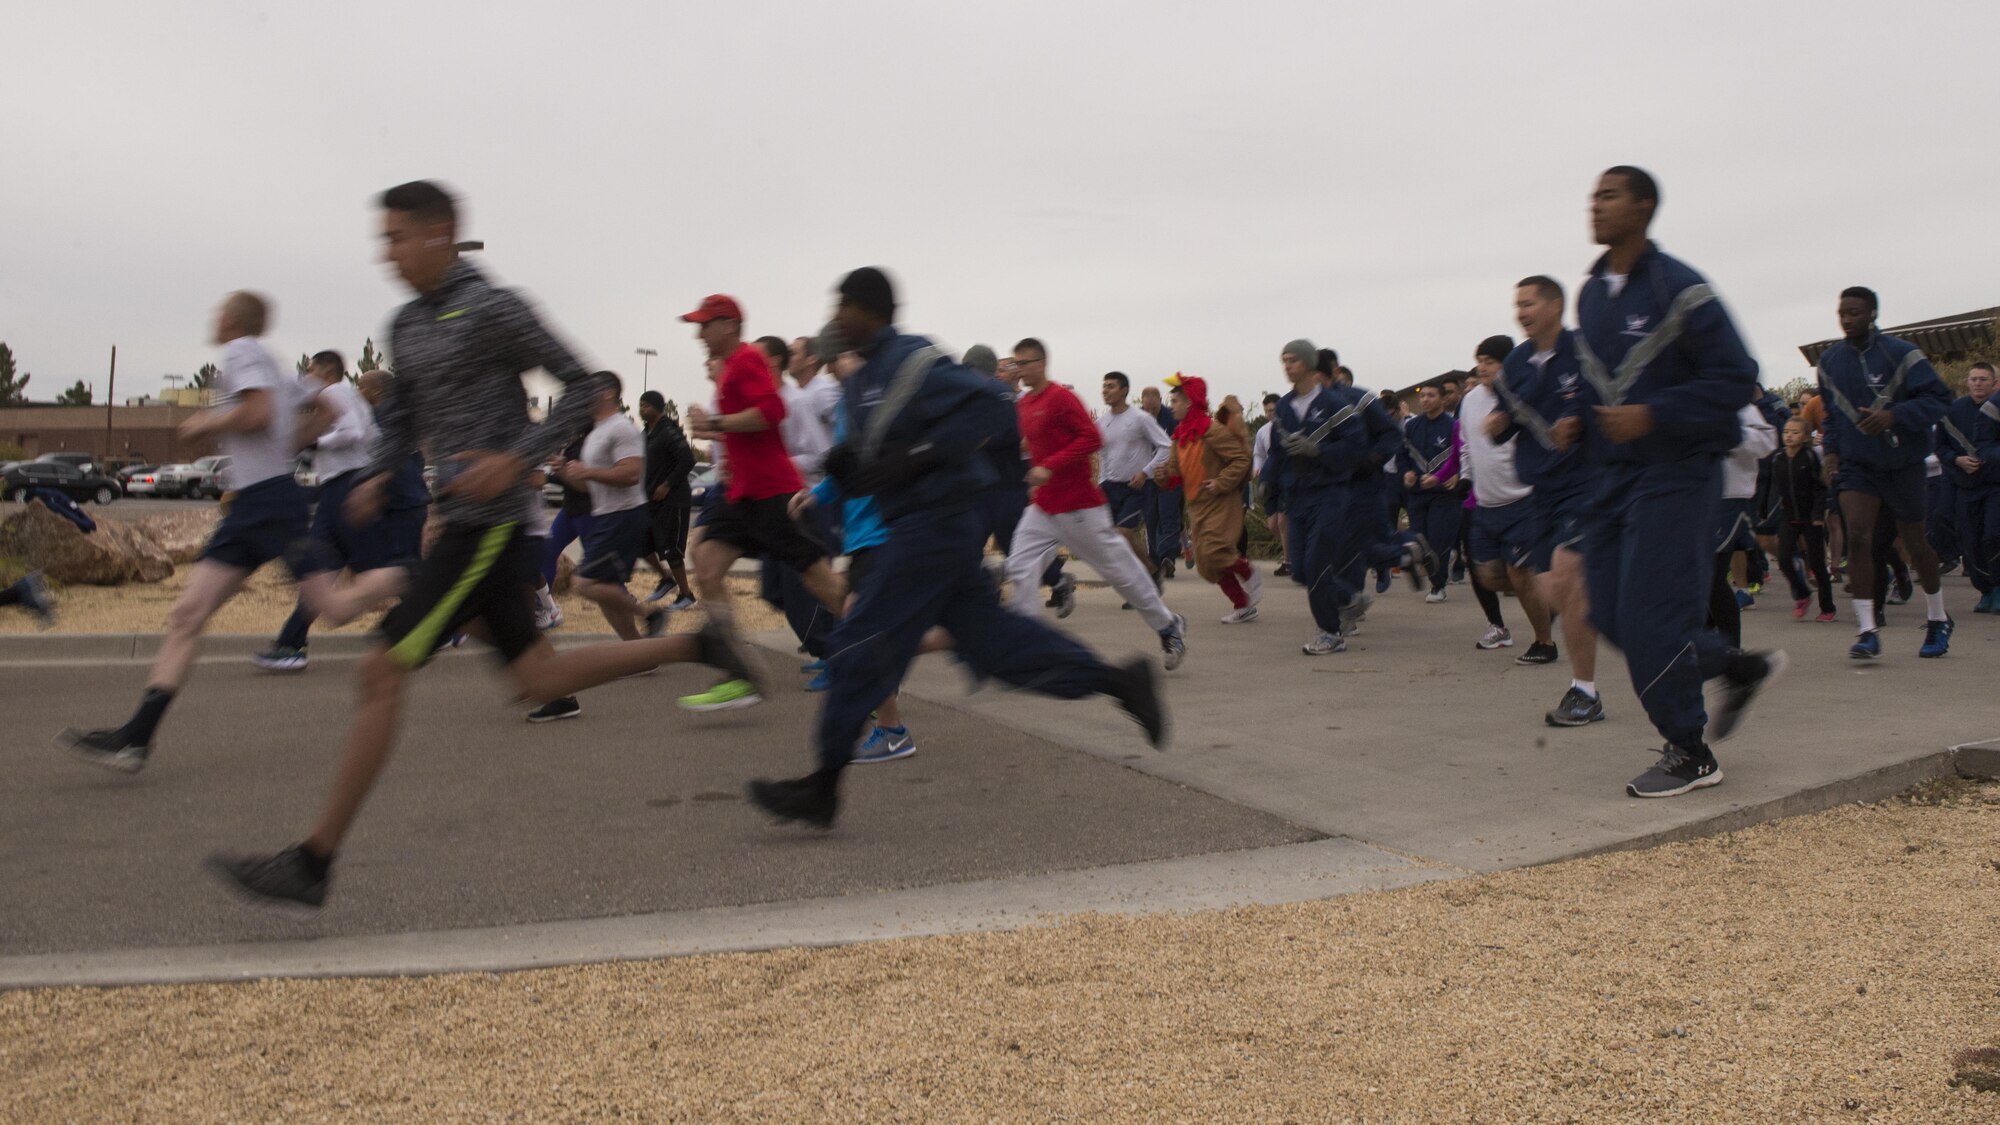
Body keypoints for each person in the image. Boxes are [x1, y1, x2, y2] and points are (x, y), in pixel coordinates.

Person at [206, 182, 760, 906]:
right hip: (459, 519)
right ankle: (697, 646)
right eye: (384, 240)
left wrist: (516, 454)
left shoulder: (496, 306)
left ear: (441, 234)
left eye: (399, 237)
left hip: (494, 520)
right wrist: (375, 473)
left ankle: (313, 861)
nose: (389, 253)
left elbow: (583, 382)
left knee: (381, 670)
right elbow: (403, 417)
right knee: (538, 679)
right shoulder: (405, 324)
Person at [746, 267, 1166, 829]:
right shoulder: (860, 381)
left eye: (842, 305)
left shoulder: (915, 361)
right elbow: (874, 460)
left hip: (936, 528)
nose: (834, 316)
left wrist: (915, 456)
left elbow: (992, 409)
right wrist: (848, 476)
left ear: (870, 310)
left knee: (856, 644)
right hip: (920, 529)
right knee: (996, 644)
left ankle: (823, 787)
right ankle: (1119, 682)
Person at [1574, 166, 1782, 798]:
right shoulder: (1591, 295)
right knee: (1607, 612)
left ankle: (1690, 752)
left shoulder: (1680, 286)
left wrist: (1656, 415)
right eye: (1593, 195)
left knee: (1652, 617)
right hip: (1612, 479)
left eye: (1609, 195)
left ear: (1643, 208)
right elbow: (1597, 388)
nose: (1595, 204)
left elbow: (1734, 375)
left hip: (1677, 474)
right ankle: (1735, 666)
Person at [58, 291, 311, 771]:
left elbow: (257, 415)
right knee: (186, 615)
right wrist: (290, 445)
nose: (214, 319)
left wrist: (205, 421)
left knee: (335, 603)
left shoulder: (242, 351)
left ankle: (425, 580)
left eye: (220, 312)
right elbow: (320, 404)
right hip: (259, 502)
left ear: (234, 319)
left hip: (268, 503)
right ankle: (137, 737)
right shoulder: (274, 363)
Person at [680, 294, 846, 709]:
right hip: (743, 495)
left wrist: (715, 423)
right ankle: (740, 674)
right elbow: (747, 429)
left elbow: (772, 412)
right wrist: (722, 442)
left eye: (706, 325)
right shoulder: (729, 370)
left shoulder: (748, 359)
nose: (700, 334)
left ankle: (880, 647)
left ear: (729, 326)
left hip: (774, 493)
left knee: (819, 583)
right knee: (705, 564)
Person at [1004, 339, 1187, 669]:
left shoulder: (1061, 398)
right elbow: (1029, 443)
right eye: (1015, 364)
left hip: (1079, 506)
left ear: (1042, 363)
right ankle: (1027, 647)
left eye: (1024, 363)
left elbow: (1091, 438)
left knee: (1121, 573)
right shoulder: (1024, 405)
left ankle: (1168, 625)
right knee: (1020, 564)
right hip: (1044, 507)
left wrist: (1051, 466)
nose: (1019, 370)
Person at [254, 358, 431, 672]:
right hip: (343, 491)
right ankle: (291, 645)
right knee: (321, 569)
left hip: (353, 491)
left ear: (326, 371)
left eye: (311, 370)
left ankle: (441, 620)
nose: (307, 376)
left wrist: (314, 442)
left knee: (384, 570)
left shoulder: (337, 391)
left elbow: (351, 432)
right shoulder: (354, 400)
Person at [1815, 286, 1954, 659]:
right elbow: (1830, 414)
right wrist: (1830, 453)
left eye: (1855, 312)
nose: (1846, 319)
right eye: (1842, 312)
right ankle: (1866, 630)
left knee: (1914, 542)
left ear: (1873, 314)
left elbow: (1939, 399)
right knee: (1859, 537)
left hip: (1903, 462)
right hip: (1858, 465)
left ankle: (1938, 618)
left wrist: (1895, 416)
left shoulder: (1902, 354)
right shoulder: (1829, 361)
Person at [1259, 342, 1421, 651]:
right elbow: (1277, 453)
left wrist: (1318, 450)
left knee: (1319, 562)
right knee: (1302, 571)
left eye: (1293, 360)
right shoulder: (1283, 408)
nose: (1287, 366)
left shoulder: (1335, 404)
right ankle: (1349, 596)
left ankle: (1330, 633)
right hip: (1297, 497)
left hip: (1330, 493)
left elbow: (1356, 446)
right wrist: (1268, 481)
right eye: (1284, 360)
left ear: (1308, 364)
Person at [1462, 334, 1556, 658]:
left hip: (1523, 500)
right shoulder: (1470, 400)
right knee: (1488, 575)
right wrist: (1465, 479)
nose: (1482, 367)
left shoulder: (1522, 396)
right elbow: (1466, 445)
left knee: (1519, 573)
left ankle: (1544, 642)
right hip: (1486, 504)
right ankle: (1548, 596)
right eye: (1480, 361)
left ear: (1507, 365)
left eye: (1490, 362)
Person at [1707, 397, 1778, 648]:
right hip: (1695, 497)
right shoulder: (1691, 401)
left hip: (1731, 497)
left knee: (1711, 575)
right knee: (1699, 576)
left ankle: (1731, 648)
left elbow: (1768, 441)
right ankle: (1706, 641)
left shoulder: (1743, 408)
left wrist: (1728, 430)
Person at [1097, 370, 1174, 584]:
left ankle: (1139, 583)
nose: (1106, 391)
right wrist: (1100, 482)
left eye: (1111, 386)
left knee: (1122, 536)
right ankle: (1151, 571)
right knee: (1110, 539)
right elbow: (1103, 456)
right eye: (1104, 386)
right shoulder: (1102, 423)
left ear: (1124, 391)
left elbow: (1166, 446)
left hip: (1137, 487)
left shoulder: (1140, 418)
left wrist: (1145, 472)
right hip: (1110, 487)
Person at [1937, 361, 2000, 613]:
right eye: (1973, 379)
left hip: (1996, 484)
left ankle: (1998, 587)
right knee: (1970, 540)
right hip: (1965, 484)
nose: (1977, 383)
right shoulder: (1953, 410)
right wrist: (1957, 460)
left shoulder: (1996, 408)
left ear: (1994, 383)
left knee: (1993, 535)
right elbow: (1939, 446)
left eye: (1983, 379)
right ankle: (1984, 589)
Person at [1398, 381, 1462, 603]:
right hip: (1417, 494)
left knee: (1438, 541)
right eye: (1423, 396)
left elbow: (1464, 457)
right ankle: (1439, 566)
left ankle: (1438, 585)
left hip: (1444, 495)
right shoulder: (1411, 427)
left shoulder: (1454, 426)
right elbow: (1402, 455)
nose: (1425, 400)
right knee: (1420, 542)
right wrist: (1406, 472)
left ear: (1443, 399)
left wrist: (1456, 475)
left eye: (1431, 395)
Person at [1772, 418, 1837, 621]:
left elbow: (1820, 488)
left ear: (1805, 437)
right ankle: (1802, 594)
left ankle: (1827, 607)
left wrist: (1819, 515)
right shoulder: (1778, 458)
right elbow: (1774, 489)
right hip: (1789, 516)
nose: (1789, 436)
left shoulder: (1809, 457)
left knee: (1817, 564)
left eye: (1795, 432)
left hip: (1811, 518)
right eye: (1786, 432)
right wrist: (1769, 512)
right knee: (1783, 559)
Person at [637, 390, 696, 609]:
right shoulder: (646, 434)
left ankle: (686, 594)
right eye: (640, 405)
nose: (642, 409)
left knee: (672, 550)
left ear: (657, 407)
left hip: (674, 500)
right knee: (641, 543)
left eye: (646, 405)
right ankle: (666, 579)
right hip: (651, 501)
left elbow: (687, 460)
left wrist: (667, 485)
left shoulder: (668, 431)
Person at [1139, 383, 1184, 579]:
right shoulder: (1138, 418)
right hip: (1147, 476)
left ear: (1160, 401)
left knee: (1168, 515)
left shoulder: (1172, 418)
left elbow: (1179, 445)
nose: (1150, 411)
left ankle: (1168, 557)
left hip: (1170, 475)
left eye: (1154, 407)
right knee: (1151, 518)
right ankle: (1154, 560)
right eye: (1146, 407)